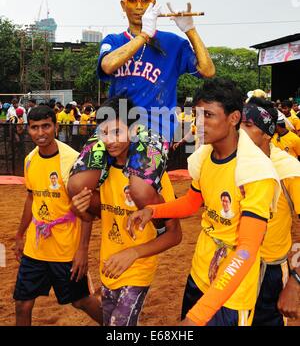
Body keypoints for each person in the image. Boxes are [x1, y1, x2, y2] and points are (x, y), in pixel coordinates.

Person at [127, 77, 280, 326]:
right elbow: (191, 202)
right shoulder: (204, 157)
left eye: (208, 115)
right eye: (197, 115)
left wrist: (197, 318)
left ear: (234, 118)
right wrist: (152, 211)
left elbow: (247, 249)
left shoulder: (255, 172)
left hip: (232, 288)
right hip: (199, 272)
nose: (200, 123)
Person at [70, 0, 215, 212]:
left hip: (154, 127)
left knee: (140, 190)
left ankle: (164, 226)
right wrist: (144, 36)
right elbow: (107, 65)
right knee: (76, 185)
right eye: (132, 0)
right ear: (122, 4)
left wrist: (190, 30)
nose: (138, 6)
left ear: (153, 4)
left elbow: (208, 70)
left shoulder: (172, 43)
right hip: (114, 125)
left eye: (145, 0)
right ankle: (104, 217)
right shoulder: (113, 41)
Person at [70, 96, 182, 326]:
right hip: (109, 266)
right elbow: (100, 213)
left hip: (137, 266)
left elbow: (174, 234)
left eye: (117, 132)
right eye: (104, 133)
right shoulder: (102, 171)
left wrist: (133, 253)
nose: (110, 141)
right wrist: (80, 207)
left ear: (133, 131)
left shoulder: (150, 177)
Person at [13, 106, 102, 326]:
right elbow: (31, 198)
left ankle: (120, 327)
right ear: (28, 129)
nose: (40, 133)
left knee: (81, 301)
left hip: (65, 250)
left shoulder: (72, 161)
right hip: (37, 247)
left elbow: (87, 210)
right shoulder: (30, 160)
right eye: (34, 127)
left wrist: (82, 251)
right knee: (22, 304)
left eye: (46, 126)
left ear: (56, 126)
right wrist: (20, 234)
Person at [240, 97, 300, 325]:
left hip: (269, 275)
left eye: (248, 125)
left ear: (267, 131)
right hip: (232, 269)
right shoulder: (234, 162)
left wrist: (295, 281)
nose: (240, 132)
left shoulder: (289, 170)